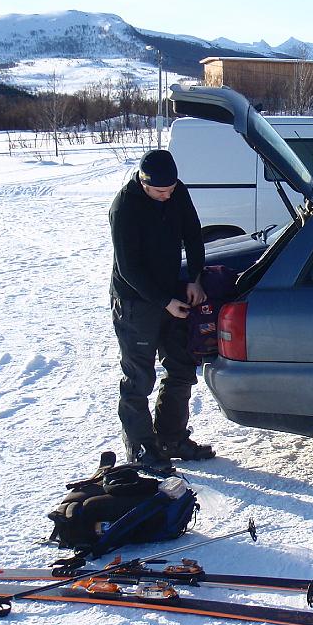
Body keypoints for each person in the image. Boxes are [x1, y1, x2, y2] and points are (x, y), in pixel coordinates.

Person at [108, 149, 215, 474]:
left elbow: (194, 234)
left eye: (170, 190)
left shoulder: (176, 191)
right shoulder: (125, 207)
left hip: (171, 292)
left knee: (182, 366)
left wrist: (195, 277)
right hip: (136, 301)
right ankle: (142, 449)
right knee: (139, 377)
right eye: (159, 192)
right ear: (143, 182)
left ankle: (170, 439)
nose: (167, 196)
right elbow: (130, 269)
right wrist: (164, 301)